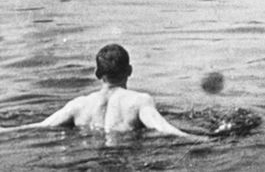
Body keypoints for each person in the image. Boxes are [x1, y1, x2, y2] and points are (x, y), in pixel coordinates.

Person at [0, 44, 203, 139]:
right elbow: (163, 128)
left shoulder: (78, 105)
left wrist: (5, 131)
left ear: (97, 73)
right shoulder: (139, 101)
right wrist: (198, 139)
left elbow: (39, 127)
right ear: (129, 71)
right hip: (125, 154)